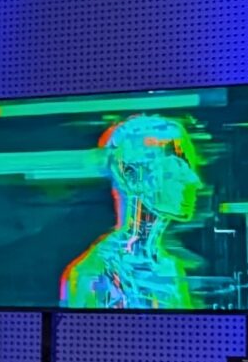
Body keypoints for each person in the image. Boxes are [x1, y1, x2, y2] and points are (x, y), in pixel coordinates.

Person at [59, 113, 202, 309]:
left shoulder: (170, 267)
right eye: (177, 167)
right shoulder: (95, 274)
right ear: (131, 176)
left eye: (190, 167)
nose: (194, 180)